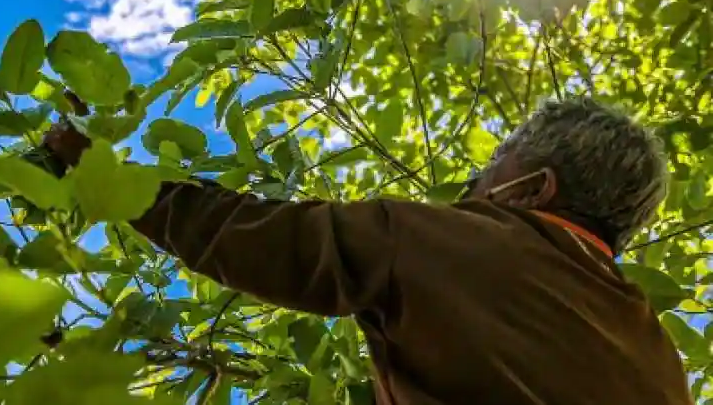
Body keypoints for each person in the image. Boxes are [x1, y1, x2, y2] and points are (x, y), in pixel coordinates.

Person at [43, 96, 692, 405]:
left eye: (494, 164)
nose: (472, 184)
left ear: (531, 189)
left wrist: (98, 171)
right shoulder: (660, 358)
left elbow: (248, 235)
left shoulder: (445, 240)